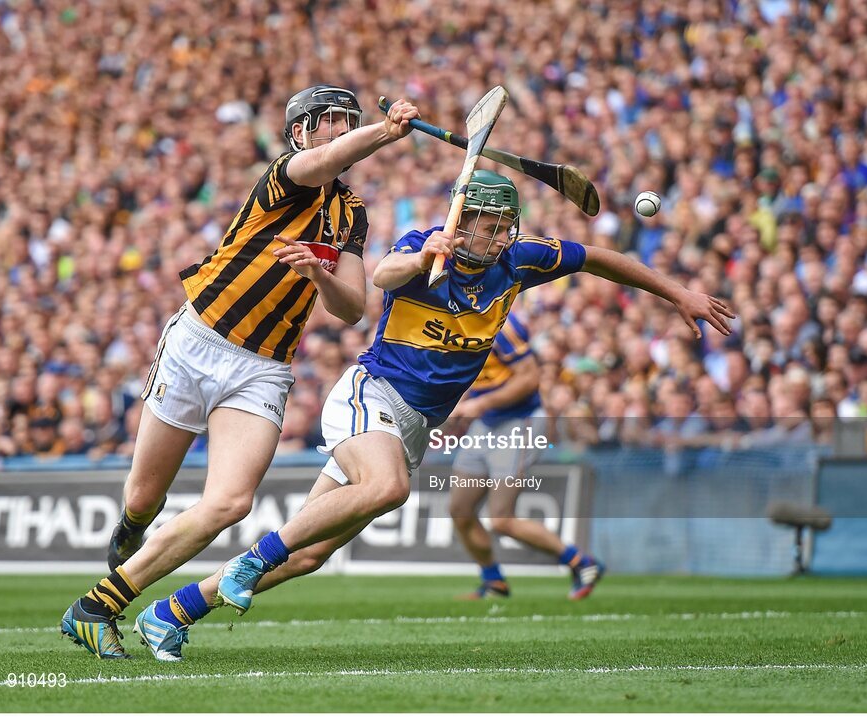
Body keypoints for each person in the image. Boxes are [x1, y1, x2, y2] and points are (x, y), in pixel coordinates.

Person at [132, 168, 734, 662]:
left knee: (312, 555)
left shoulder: (518, 264)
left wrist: (676, 292)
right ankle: (252, 560)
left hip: (415, 427)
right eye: (488, 225)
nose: (499, 237)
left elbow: (599, 257)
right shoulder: (422, 246)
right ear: (461, 221)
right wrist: (425, 258)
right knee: (387, 487)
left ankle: (174, 612)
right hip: (371, 396)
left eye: (506, 227)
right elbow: (380, 281)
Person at [59, 85, 421, 659]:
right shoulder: (286, 174)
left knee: (231, 503)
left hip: (264, 368)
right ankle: (133, 527)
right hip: (198, 340)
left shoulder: (351, 212)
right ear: (300, 131)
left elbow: (351, 307)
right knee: (143, 497)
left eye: (350, 122)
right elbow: (324, 161)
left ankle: (97, 606)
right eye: (332, 122)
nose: (341, 131)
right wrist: (382, 131)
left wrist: (317, 272)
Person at [446, 312, 602, 600]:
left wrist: (481, 404)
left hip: (521, 420)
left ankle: (581, 562)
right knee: (460, 509)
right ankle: (494, 581)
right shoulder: (447, 319)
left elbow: (530, 380)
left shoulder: (500, 322)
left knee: (502, 519)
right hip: (486, 423)